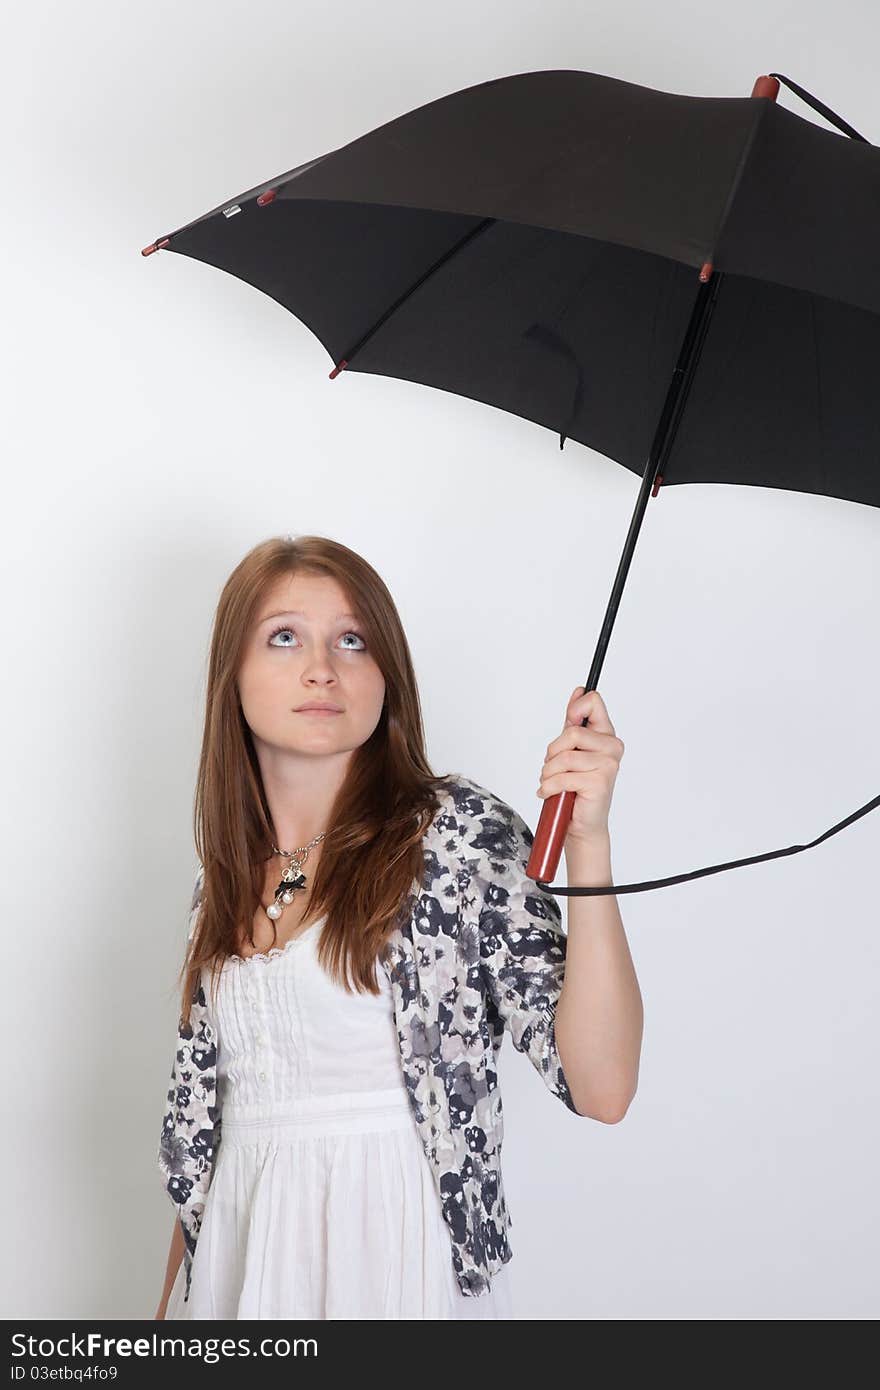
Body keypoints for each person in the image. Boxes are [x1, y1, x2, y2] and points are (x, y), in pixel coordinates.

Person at [154, 533, 642, 1320]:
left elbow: (604, 1085)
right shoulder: (219, 884)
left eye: (353, 639)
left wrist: (590, 846)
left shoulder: (458, 838)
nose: (323, 667)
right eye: (285, 637)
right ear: (232, 675)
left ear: (388, 676)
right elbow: (203, 1153)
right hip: (242, 1278)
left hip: (395, 1264)